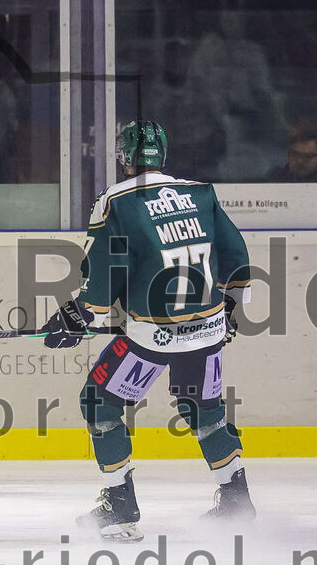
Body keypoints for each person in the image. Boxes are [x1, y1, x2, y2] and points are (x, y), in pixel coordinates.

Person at [40, 120, 254, 542]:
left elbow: (105, 270)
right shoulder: (201, 193)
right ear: (164, 153)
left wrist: (80, 314)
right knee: (204, 408)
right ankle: (236, 499)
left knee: (99, 401)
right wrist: (229, 310)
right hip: (209, 327)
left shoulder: (117, 200)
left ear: (123, 157)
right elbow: (236, 256)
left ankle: (120, 507)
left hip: (154, 336)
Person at [265, 117, 317, 183]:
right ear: (288, 155)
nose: (300, 161)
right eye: (295, 154)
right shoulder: (275, 179)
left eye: (308, 156)